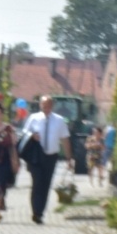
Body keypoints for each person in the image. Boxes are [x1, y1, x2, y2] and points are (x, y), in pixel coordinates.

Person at [20, 95, 71, 224]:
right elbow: (24, 133)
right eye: (44, 105)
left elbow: (65, 139)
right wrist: (32, 136)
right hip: (36, 156)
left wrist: (69, 157)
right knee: (37, 183)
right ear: (40, 105)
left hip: (51, 156)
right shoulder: (34, 118)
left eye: (48, 105)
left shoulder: (59, 120)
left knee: (46, 184)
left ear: (52, 106)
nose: (46, 107)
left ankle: (40, 212)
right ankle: (35, 211)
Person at [86, 123, 106, 188]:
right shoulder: (90, 138)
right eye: (94, 132)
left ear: (100, 133)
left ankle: (100, 182)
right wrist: (92, 145)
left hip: (99, 156)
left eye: (97, 132)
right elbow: (86, 146)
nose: (95, 133)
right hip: (91, 156)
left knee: (100, 168)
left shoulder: (102, 140)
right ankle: (91, 182)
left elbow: (104, 148)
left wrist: (100, 146)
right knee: (91, 169)